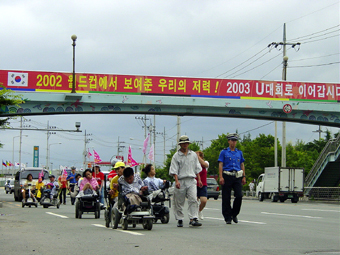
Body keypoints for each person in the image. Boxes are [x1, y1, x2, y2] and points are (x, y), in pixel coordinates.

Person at [169, 135, 203, 227]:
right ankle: (180, 219)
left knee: (193, 199)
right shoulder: (176, 156)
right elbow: (174, 170)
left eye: (186, 143)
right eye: (183, 143)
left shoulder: (193, 155)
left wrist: (199, 180)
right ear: (180, 144)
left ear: (188, 144)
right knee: (179, 201)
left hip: (191, 180)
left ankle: (194, 218)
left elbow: (197, 168)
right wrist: (176, 181)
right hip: (181, 180)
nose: (185, 144)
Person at [218, 133, 246, 224]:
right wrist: (221, 176)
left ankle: (234, 214)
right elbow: (221, 164)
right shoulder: (224, 152)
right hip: (227, 175)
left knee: (239, 195)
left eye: (235, 141)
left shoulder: (239, 152)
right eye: (232, 140)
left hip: (237, 175)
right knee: (226, 197)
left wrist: (244, 176)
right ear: (229, 141)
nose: (234, 142)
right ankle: (227, 217)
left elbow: (242, 164)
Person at [196, 151, 209, 221]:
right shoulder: (193, 164)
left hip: (203, 184)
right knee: (194, 201)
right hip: (194, 184)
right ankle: (194, 215)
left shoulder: (205, 163)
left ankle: (199, 210)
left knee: (204, 201)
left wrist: (198, 157)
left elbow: (205, 165)